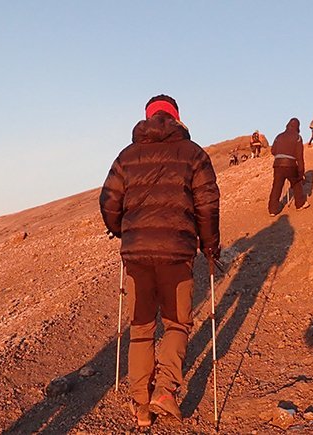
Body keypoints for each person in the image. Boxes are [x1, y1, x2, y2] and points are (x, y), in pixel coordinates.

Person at [99, 94, 221, 428]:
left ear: (148, 118)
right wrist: (210, 246)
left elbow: (109, 201)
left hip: (137, 256)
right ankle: (165, 390)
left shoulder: (128, 156)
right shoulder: (193, 153)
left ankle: (141, 402)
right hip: (177, 254)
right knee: (177, 323)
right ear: (177, 118)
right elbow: (207, 203)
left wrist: (122, 230)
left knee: (141, 326)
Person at [268, 118, 310, 216]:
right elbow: (299, 157)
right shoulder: (297, 137)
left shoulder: (279, 136)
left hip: (278, 164)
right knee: (296, 182)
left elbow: (273, 151)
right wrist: (301, 172)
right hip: (290, 164)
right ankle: (300, 204)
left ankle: (272, 210)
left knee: (276, 186)